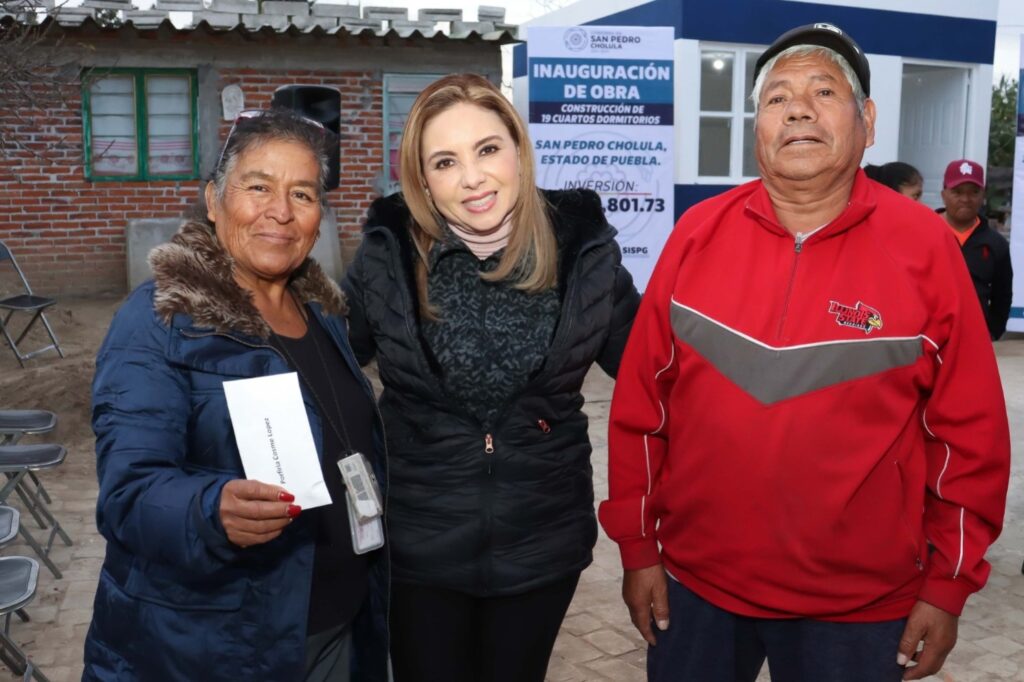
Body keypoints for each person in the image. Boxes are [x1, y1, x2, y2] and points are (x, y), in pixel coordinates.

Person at [599, 23, 1010, 682]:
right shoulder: (696, 235)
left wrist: (948, 584)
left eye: (824, 91)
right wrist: (639, 547)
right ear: (757, 128)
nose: (797, 109)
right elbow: (642, 411)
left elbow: (970, 434)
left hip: (861, 610)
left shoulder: (927, 249)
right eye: (777, 98)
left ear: (867, 122)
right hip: (697, 589)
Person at [342, 73, 640, 682]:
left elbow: (659, 374)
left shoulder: (584, 250)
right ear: (423, 179)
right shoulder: (386, 254)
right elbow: (325, 364)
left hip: (542, 543)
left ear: (518, 151)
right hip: (417, 545)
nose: (473, 178)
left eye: (487, 149)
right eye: (445, 162)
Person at [83, 109, 388, 681]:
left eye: (302, 193)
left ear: (319, 217)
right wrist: (209, 509)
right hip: (216, 649)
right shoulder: (161, 320)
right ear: (213, 200)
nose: (281, 211)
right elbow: (127, 493)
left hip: (337, 628)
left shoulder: (323, 314)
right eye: (259, 187)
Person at [938, 158, 1012, 339]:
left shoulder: (996, 244)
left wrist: (992, 332)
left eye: (974, 192)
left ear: (983, 195)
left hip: (974, 338)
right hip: (929, 336)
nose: (965, 199)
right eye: (957, 192)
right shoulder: (923, 233)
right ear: (944, 194)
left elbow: (1002, 295)